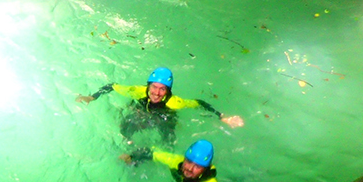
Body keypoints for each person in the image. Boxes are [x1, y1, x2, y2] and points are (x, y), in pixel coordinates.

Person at [77, 67, 244, 145]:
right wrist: (92, 97)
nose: (156, 93)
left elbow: (200, 103)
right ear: (148, 86)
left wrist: (222, 116)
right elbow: (112, 85)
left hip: (165, 117)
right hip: (142, 112)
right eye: (154, 87)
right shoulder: (138, 91)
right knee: (125, 126)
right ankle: (129, 148)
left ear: (168, 91)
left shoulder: (174, 102)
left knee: (168, 141)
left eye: (162, 89)